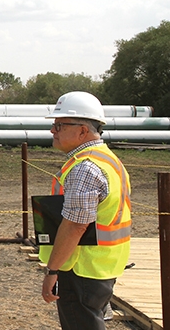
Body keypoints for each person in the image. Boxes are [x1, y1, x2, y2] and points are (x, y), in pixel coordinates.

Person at [39, 91, 132, 330]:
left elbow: (75, 225)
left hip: (81, 269)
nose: (53, 131)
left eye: (60, 125)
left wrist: (53, 270)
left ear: (82, 130)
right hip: (102, 266)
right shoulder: (108, 159)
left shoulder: (85, 168)